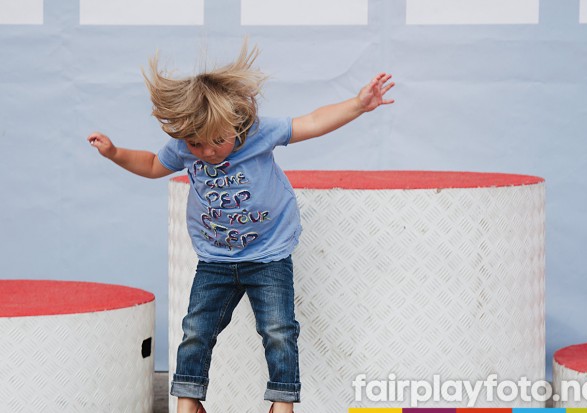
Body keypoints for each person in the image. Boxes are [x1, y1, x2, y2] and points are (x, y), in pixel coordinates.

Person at [87, 41, 395, 413]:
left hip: (268, 254)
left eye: (218, 141)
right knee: (196, 331)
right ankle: (189, 401)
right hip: (215, 258)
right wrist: (115, 153)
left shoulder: (258, 134)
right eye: (197, 144)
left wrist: (359, 105)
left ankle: (282, 404)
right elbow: (153, 165)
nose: (208, 151)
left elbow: (311, 122)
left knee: (279, 331)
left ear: (237, 123)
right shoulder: (186, 147)